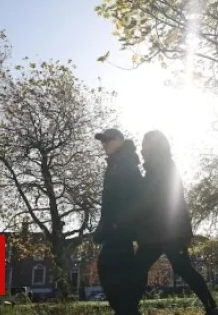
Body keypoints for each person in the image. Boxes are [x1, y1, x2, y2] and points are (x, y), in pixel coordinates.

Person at [125, 130, 218, 315]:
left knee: (178, 268)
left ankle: (212, 308)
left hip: (167, 231)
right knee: (144, 268)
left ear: (153, 146)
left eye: (144, 145)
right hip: (158, 231)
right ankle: (129, 310)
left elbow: (151, 197)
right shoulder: (158, 166)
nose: (141, 149)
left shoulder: (161, 166)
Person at [93, 128, 143, 315]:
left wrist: (119, 223)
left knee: (106, 266)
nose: (104, 144)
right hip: (114, 229)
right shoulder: (114, 164)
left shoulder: (126, 163)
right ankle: (127, 310)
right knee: (119, 272)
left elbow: (138, 197)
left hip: (121, 229)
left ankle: (126, 310)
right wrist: (102, 226)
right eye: (102, 141)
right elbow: (109, 201)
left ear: (120, 140)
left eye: (108, 140)